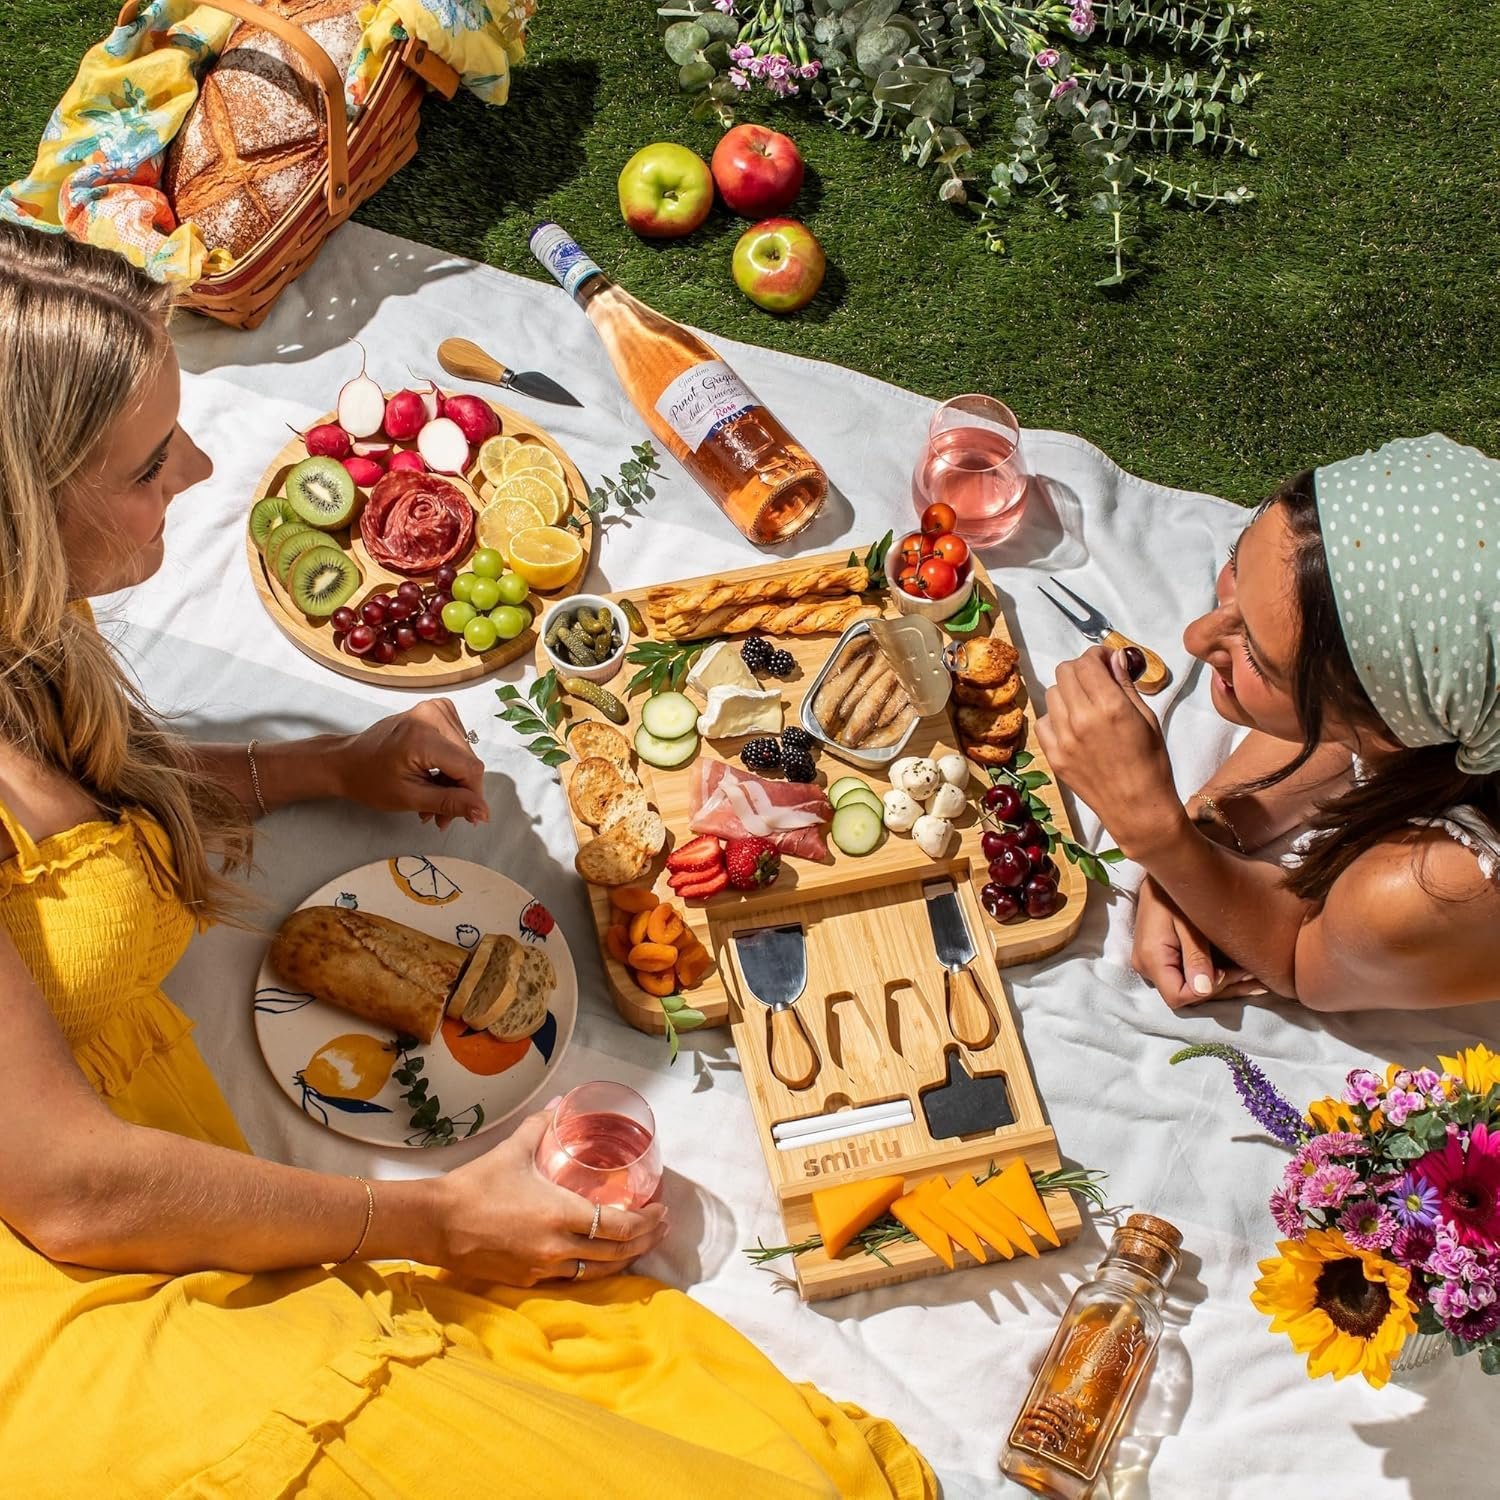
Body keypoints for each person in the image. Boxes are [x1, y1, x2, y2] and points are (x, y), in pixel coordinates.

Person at [0, 223, 934, 1498]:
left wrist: (331, 767)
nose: (204, 467)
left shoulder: (25, 619)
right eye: (153, 461)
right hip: (71, 1343)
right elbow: (70, 1191)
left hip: (154, 1222)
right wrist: (436, 1223)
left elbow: (80, 807)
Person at [1038, 438, 1499, 1013]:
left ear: (1396, 723)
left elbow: (1304, 963)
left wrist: (1153, 832)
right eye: (1238, 561)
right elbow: (1342, 735)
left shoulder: (1442, 885)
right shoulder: (1447, 704)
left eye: (1256, 657)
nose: (1195, 639)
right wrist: (1203, 838)